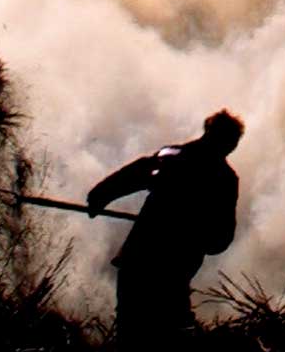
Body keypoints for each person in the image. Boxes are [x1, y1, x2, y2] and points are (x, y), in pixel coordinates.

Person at [87, 109, 244, 340]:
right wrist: (199, 237)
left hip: (140, 260)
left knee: (132, 331)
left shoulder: (172, 156)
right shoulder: (224, 178)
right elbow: (221, 239)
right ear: (227, 142)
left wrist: (99, 197)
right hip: (172, 269)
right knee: (169, 335)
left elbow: (135, 174)